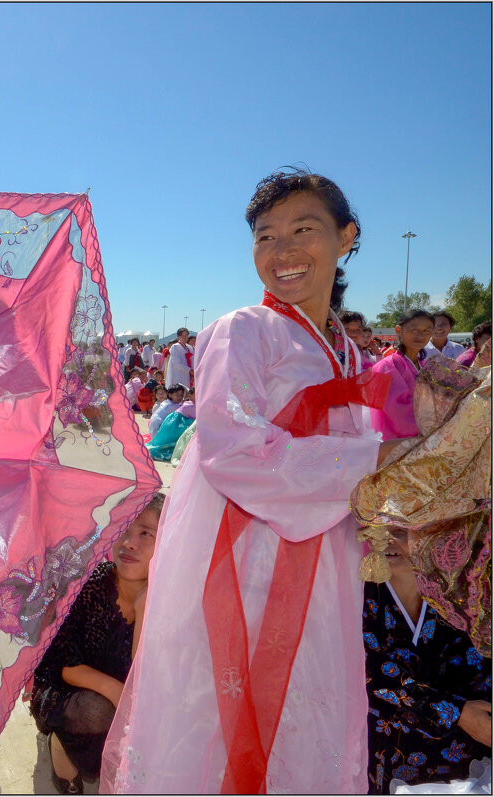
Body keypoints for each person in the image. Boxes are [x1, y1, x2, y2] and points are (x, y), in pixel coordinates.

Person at [103, 169, 409, 793]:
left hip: (323, 562)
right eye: (265, 236)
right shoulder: (243, 331)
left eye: (305, 229)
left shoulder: (348, 355)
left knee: (309, 704)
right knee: (219, 717)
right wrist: (377, 462)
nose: (283, 251)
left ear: (347, 237)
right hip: (241, 559)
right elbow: (234, 448)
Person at [30, 494, 163, 793]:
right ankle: (62, 757)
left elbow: (143, 677)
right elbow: (64, 665)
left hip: (121, 696)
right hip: (68, 689)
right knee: (96, 712)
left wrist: (142, 609)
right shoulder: (91, 585)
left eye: (146, 534)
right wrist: (118, 694)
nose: (129, 542)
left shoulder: (165, 600)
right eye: (125, 529)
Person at [362, 527, 491, 793]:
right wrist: (455, 712)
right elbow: (373, 675)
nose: (387, 538)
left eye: (400, 530)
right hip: (388, 761)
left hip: (465, 764)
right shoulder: (357, 595)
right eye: (379, 529)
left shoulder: (466, 590)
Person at [369, 308, 434, 440]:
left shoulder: (422, 364)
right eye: (414, 330)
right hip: (395, 441)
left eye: (426, 331)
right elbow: (397, 414)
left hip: (419, 437)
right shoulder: (387, 367)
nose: (421, 336)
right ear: (399, 330)